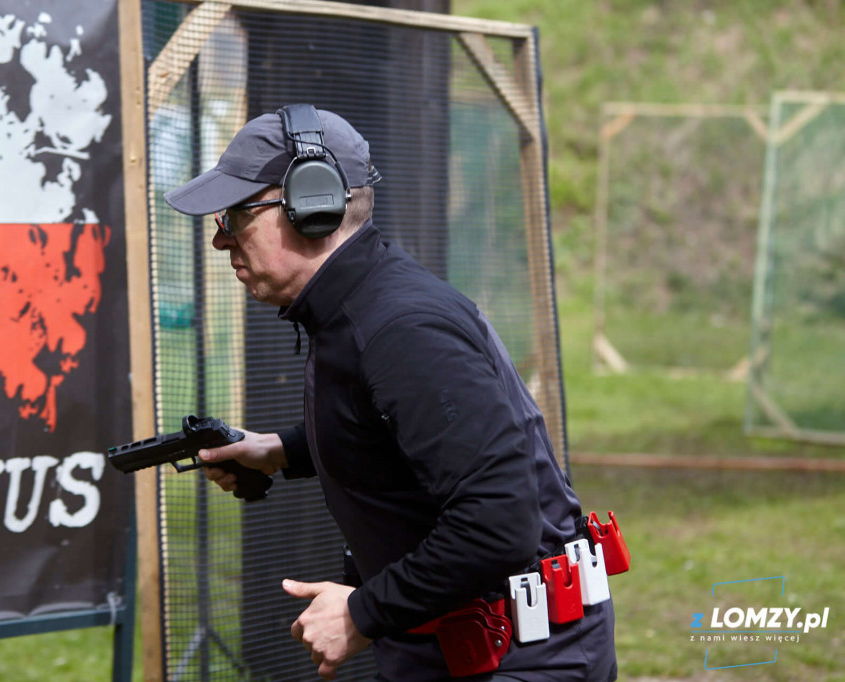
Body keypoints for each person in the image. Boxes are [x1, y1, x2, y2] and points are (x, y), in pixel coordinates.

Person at [164, 105, 619, 682]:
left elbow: (499, 521)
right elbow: (401, 428)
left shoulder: (401, 329)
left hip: (522, 660)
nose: (219, 239)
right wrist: (282, 449)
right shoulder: (356, 307)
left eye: (235, 215)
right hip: (463, 646)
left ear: (311, 205)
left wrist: (361, 613)